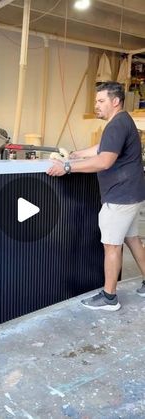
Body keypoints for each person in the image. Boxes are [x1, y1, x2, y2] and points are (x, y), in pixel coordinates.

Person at [46, 81, 145, 311]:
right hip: (131, 194)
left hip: (120, 196)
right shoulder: (122, 121)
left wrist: (67, 167)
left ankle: (109, 297)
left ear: (115, 101)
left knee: (111, 246)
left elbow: (104, 160)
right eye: (96, 101)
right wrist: (77, 154)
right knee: (132, 240)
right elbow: (103, 147)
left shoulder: (116, 124)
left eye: (101, 101)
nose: (96, 106)